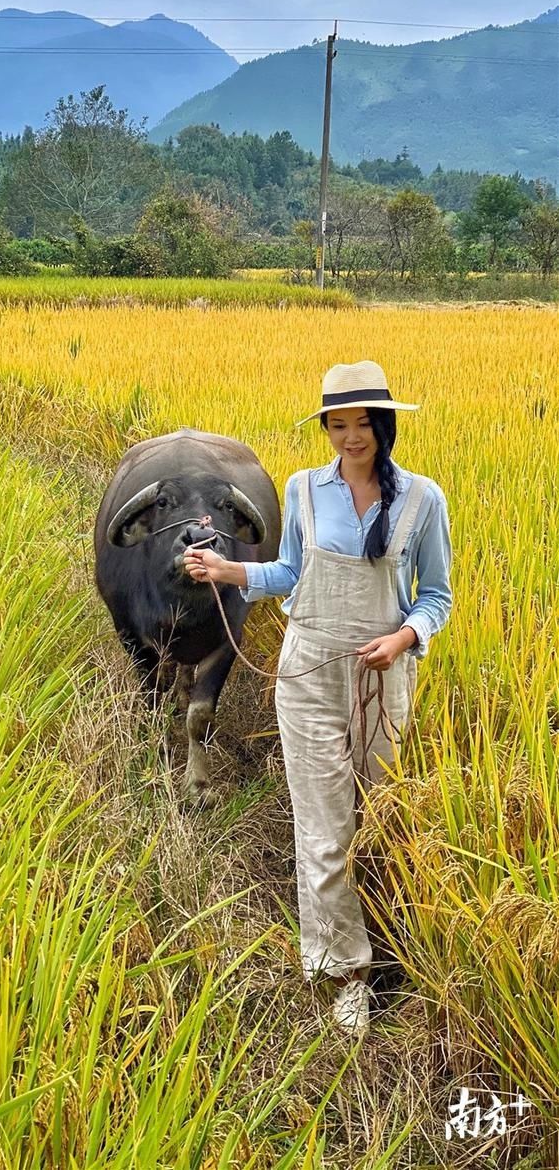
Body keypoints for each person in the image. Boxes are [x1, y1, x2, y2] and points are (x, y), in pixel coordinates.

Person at [182, 360, 453, 1036]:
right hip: (308, 675)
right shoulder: (303, 489)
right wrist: (229, 568)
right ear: (326, 426)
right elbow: (289, 573)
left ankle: (395, 942)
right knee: (325, 829)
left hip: (382, 678)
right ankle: (344, 971)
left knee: (378, 821)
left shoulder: (424, 500)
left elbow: (437, 597)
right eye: (339, 423)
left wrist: (405, 637)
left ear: (384, 424)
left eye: (364, 422)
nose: (351, 435)